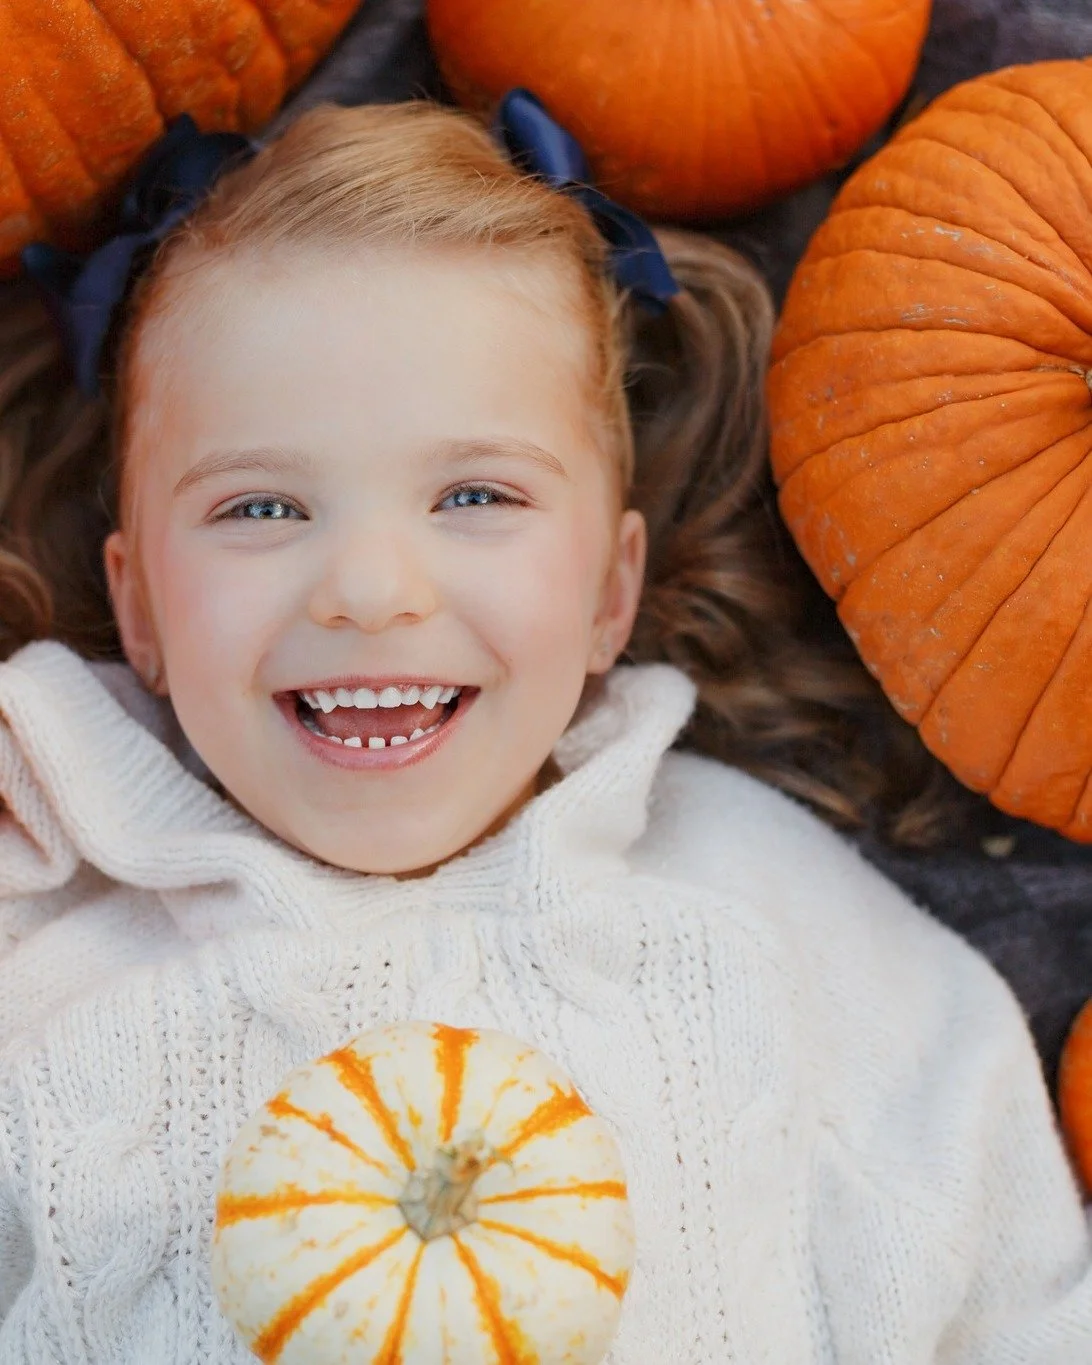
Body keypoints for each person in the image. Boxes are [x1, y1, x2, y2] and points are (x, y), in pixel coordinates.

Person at [0, 93, 1088, 1364]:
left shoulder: (754, 914)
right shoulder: (48, 978)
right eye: (261, 509)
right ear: (139, 609)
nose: (371, 589)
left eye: (475, 495)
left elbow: (1013, 1292)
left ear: (609, 595)